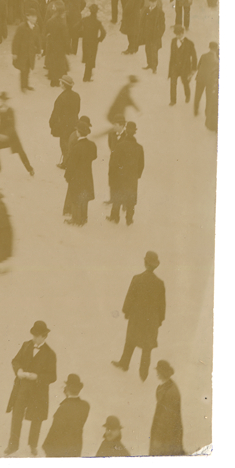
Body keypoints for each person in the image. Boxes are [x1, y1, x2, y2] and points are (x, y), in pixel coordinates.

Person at [6, 320, 57, 456]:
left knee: (36, 419)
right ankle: (12, 446)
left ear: (44, 336)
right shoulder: (26, 345)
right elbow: (15, 360)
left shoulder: (50, 354)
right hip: (22, 388)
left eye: (37, 335)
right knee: (16, 416)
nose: (34, 338)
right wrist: (19, 370)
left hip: (38, 392)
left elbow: (53, 376)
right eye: (33, 334)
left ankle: (33, 445)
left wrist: (37, 377)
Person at [113, 251, 165, 380]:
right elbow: (162, 305)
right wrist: (159, 320)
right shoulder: (159, 283)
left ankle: (124, 364)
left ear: (145, 263)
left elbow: (130, 297)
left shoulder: (137, 279)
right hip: (151, 320)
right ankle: (143, 374)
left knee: (130, 341)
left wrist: (126, 312)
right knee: (147, 348)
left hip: (136, 318)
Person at [0, 93, 33, 175]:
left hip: (12, 136)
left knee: (20, 152)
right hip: (1, 135)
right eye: (1, 100)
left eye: (4, 100)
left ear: (7, 101)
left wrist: (5, 135)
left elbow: (12, 126)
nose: (3, 102)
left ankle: (30, 169)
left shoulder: (10, 111)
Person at [61, 116, 97, 225]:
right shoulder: (92, 145)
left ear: (78, 132)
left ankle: (76, 219)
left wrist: (67, 176)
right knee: (84, 196)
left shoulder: (77, 147)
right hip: (87, 174)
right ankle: (84, 218)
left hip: (77, 176)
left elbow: (71, 164)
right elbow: (94, 156)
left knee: (76, 197)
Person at [108, 122, 145, 225]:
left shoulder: (120, 146)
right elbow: (141, 165)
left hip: (120, 176)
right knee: (131, 198)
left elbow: (114, 163)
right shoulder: (139, 147)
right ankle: (129, 219)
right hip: (132, 178)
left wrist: (112, 175)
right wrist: (136, 175)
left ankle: (115, 217)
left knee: (117, 196)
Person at [149, 360, 183, 455]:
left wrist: (159, 436)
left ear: (162, 373)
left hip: (166, 432)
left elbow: (168, 418)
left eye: (158, 372)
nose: (157, 374)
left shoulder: (171, 391)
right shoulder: (166, 385)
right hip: (163, 429)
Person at [168, 24, 197, 106]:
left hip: (185, 68)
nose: (178, 36)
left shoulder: (189, 43)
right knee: (173, 83)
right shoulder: (173, 41)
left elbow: (194, 57)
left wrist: (193, 69)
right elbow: (172, 55)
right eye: (176, 34)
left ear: (182, 33)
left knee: (185, 82)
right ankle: (173, 100)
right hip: (174, 67)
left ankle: (187, 95)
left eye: (179, 34)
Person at [77, 4, 107, 82]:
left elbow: (76, 27)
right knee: (91, 58)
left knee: (87, 57)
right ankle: (87, 77)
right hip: (93, 42)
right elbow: (103, 32)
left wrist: (81, 34)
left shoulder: (84, 20)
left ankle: (87, 76)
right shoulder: (97, 22)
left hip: (85, 41)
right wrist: (99, 39)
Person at [195, 41, 218, 121]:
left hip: (200, 79)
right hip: (210, 81)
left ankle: (195, 110)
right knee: (209, 97)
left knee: (197, 95)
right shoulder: (216, 60)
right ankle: (207, 113)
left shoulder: (203, 55)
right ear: (215, 49)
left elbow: (198, 66)